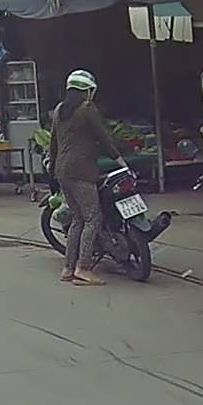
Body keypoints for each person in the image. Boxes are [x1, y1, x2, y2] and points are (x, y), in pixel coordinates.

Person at [46, 69, 126, 286]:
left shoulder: (60, 110)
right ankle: (84, 268)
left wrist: (52, 168)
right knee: (93, 217)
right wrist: (119, 159)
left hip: (63, 171)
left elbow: (53, 142)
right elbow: (103, 137)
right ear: (87, 91)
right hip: (81, 171)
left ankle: (68, 268)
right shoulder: (87, 109)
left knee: (78, 218)